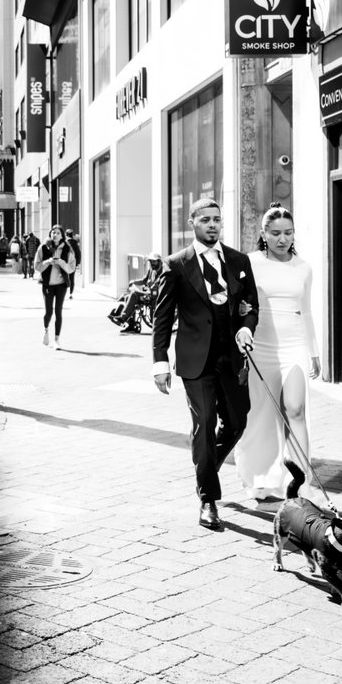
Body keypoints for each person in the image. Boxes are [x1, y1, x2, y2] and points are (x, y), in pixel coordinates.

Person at [151, 199, 259, 530]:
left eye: (217, 220)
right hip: (195, 361)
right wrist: (159, 360)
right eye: (205, 220)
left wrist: (246, 326)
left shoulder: (239, 261)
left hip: (232, 358)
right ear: (192, 222)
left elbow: (250, 304)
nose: (212, 225)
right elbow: (162, 316)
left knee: (238, 422)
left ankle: (207, 465)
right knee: (205, 424)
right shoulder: (176, 264)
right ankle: (208, 500)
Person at [234, 204, 321, 502]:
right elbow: (240, 304)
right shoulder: (250, 263)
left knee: (295, 409)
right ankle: (260, 477)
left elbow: (306, 311)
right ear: (263, 234)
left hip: (294, 345)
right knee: (261, 414)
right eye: (275, 233)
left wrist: (314, 352)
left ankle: (302, 483)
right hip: (261, 347)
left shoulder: (304, 267)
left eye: (288, 233)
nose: (283, 239)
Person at [34, 224, 76, 349]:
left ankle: (57, 340)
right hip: (48, 284)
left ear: (62, 235)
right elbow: (36, 266)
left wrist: (61, 263)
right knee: (49, 311)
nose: (55, 235)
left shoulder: (67, 249)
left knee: (58, 311)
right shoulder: (43, 248)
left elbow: (71, 268)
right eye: (53, 232)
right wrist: (48, 262)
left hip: (61, 285)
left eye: (58, 233)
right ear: (50, 234)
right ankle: (46, 330)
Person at [109, 251, 162, 332]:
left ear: (159, 261)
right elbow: (144, 280)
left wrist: (153, 286)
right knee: (128, 297)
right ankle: (131, 324)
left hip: (155, 295)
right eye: (151, 261)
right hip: (148, 293)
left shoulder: (163, 271)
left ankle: (123, 317)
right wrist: (134, 282)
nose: (152, 263)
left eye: (154, 261)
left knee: (134, 294)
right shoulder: (151, 270)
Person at [64, 228, 81, 296]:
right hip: (72, 263)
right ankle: (71, 293)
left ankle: (64, 292)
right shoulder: (75, 243)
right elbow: (78, 253)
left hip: (64, 263)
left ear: (66, 235)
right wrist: (77, 263)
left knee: (64, 278)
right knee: (72, 278)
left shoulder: (64, 243)